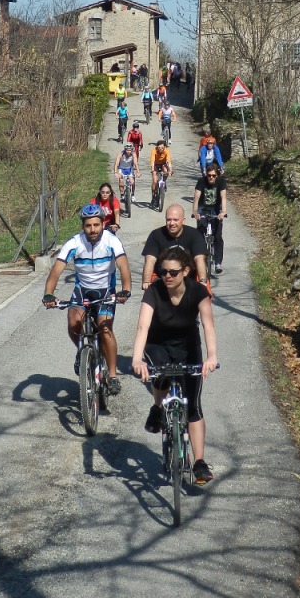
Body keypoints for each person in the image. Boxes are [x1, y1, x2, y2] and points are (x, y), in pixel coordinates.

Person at [132, 247, 218, 484]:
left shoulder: (197, 291)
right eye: (163, 272)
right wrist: (137, 359)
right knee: (160, 375)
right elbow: (143, 327)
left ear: (186, 271)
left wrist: (211, 357)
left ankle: (199, 462)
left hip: (188, 346)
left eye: (173, 272)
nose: (167, 276)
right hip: (157, 344)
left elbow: (208, 325)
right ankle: (158, 407)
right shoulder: (154, 291)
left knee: (193, 406)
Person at [42, 204, 132, 393]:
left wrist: (126, 290)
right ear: (83, 226)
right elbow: (56, 270)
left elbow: (123, 266)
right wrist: (48, 293)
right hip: (82, 290)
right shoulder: (74, 242)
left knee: (105, 329)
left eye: (96, 225)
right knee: (73, 322)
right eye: (88, 225)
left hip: (105, 291)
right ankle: (82, 350)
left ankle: (113, 376)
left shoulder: (111, 240)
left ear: (103, 224)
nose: (93, 229)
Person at [141, 203, 207, 287]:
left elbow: (199, 258)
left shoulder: (194, 234)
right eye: (169, 220)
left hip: (189, 278)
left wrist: (202, 280)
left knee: (205, 287)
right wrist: (146, 282)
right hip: (163, 278)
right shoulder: (156, 235)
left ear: (183, 220)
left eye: (175, 220)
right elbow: (150, 260)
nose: (172, 223)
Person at [192, 166, 228, 274]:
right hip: (203, 209)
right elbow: (196, 198)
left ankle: (217, 263)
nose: (211, 177)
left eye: (213, 176)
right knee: (199, 235)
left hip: (216, 210)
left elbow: (223, 197)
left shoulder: (221, 181)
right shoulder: (201, 181)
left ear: (217, 175)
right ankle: (199, 260)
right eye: (209, 175)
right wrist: (195, 212)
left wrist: (223, 212)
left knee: (218, 236)